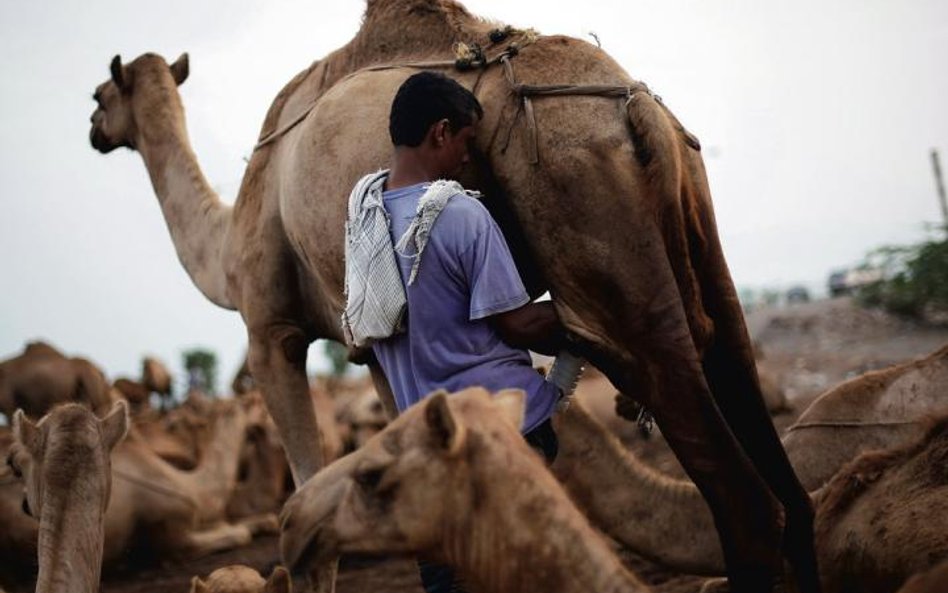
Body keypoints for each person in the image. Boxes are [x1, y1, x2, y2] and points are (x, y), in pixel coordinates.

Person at [342, 71, 566, 593]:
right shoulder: (461, 214)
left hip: (423, 457)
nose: (469, 158)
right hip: (503, 435)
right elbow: (518, 326)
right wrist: (585, 317)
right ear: (441, 133)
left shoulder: (362, 227)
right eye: (466, 142)